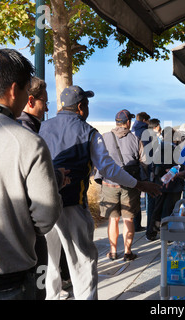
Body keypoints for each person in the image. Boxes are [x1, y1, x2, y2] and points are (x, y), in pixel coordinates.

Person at [39, 86, 161, 300]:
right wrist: (139, 184)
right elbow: (108, 169)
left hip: (44, 206)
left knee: (50, 259)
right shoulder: (88, 132)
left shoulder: (42, 128)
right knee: (82, 263)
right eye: (86, 104)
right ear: (80, 107)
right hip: (72, 206)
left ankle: (53, 296)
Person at [0, 49, 62, 300]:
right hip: (10, 278)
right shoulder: (28, 142)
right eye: (26, 92)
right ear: (14, 90)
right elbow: (46, 216)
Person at [17, 76, 71, 300]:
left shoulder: (25, 127)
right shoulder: (28, 133)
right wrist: (58, 178)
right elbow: (31, 180)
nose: (47, 107)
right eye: (44, 101)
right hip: (30, 226)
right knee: (38, 276)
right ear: (30, 101)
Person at [94, 109, 147, 261]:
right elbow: (144, 162)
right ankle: (128, 252)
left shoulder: (104, 138)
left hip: (109, 185)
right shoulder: (135, 139)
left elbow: (98, 160)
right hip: (130, 185)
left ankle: (112, 251)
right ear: (128, 122)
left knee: (113, 220)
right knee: (129, 220)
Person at [146, 127, 185, 241]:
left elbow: (152, 165)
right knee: (170, 210)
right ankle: (167, 235)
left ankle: (151, 232)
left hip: (160, 183)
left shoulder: (157, 148)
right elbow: (180, 165)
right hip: (173, 184)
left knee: (156, 209)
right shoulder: (176, 149)